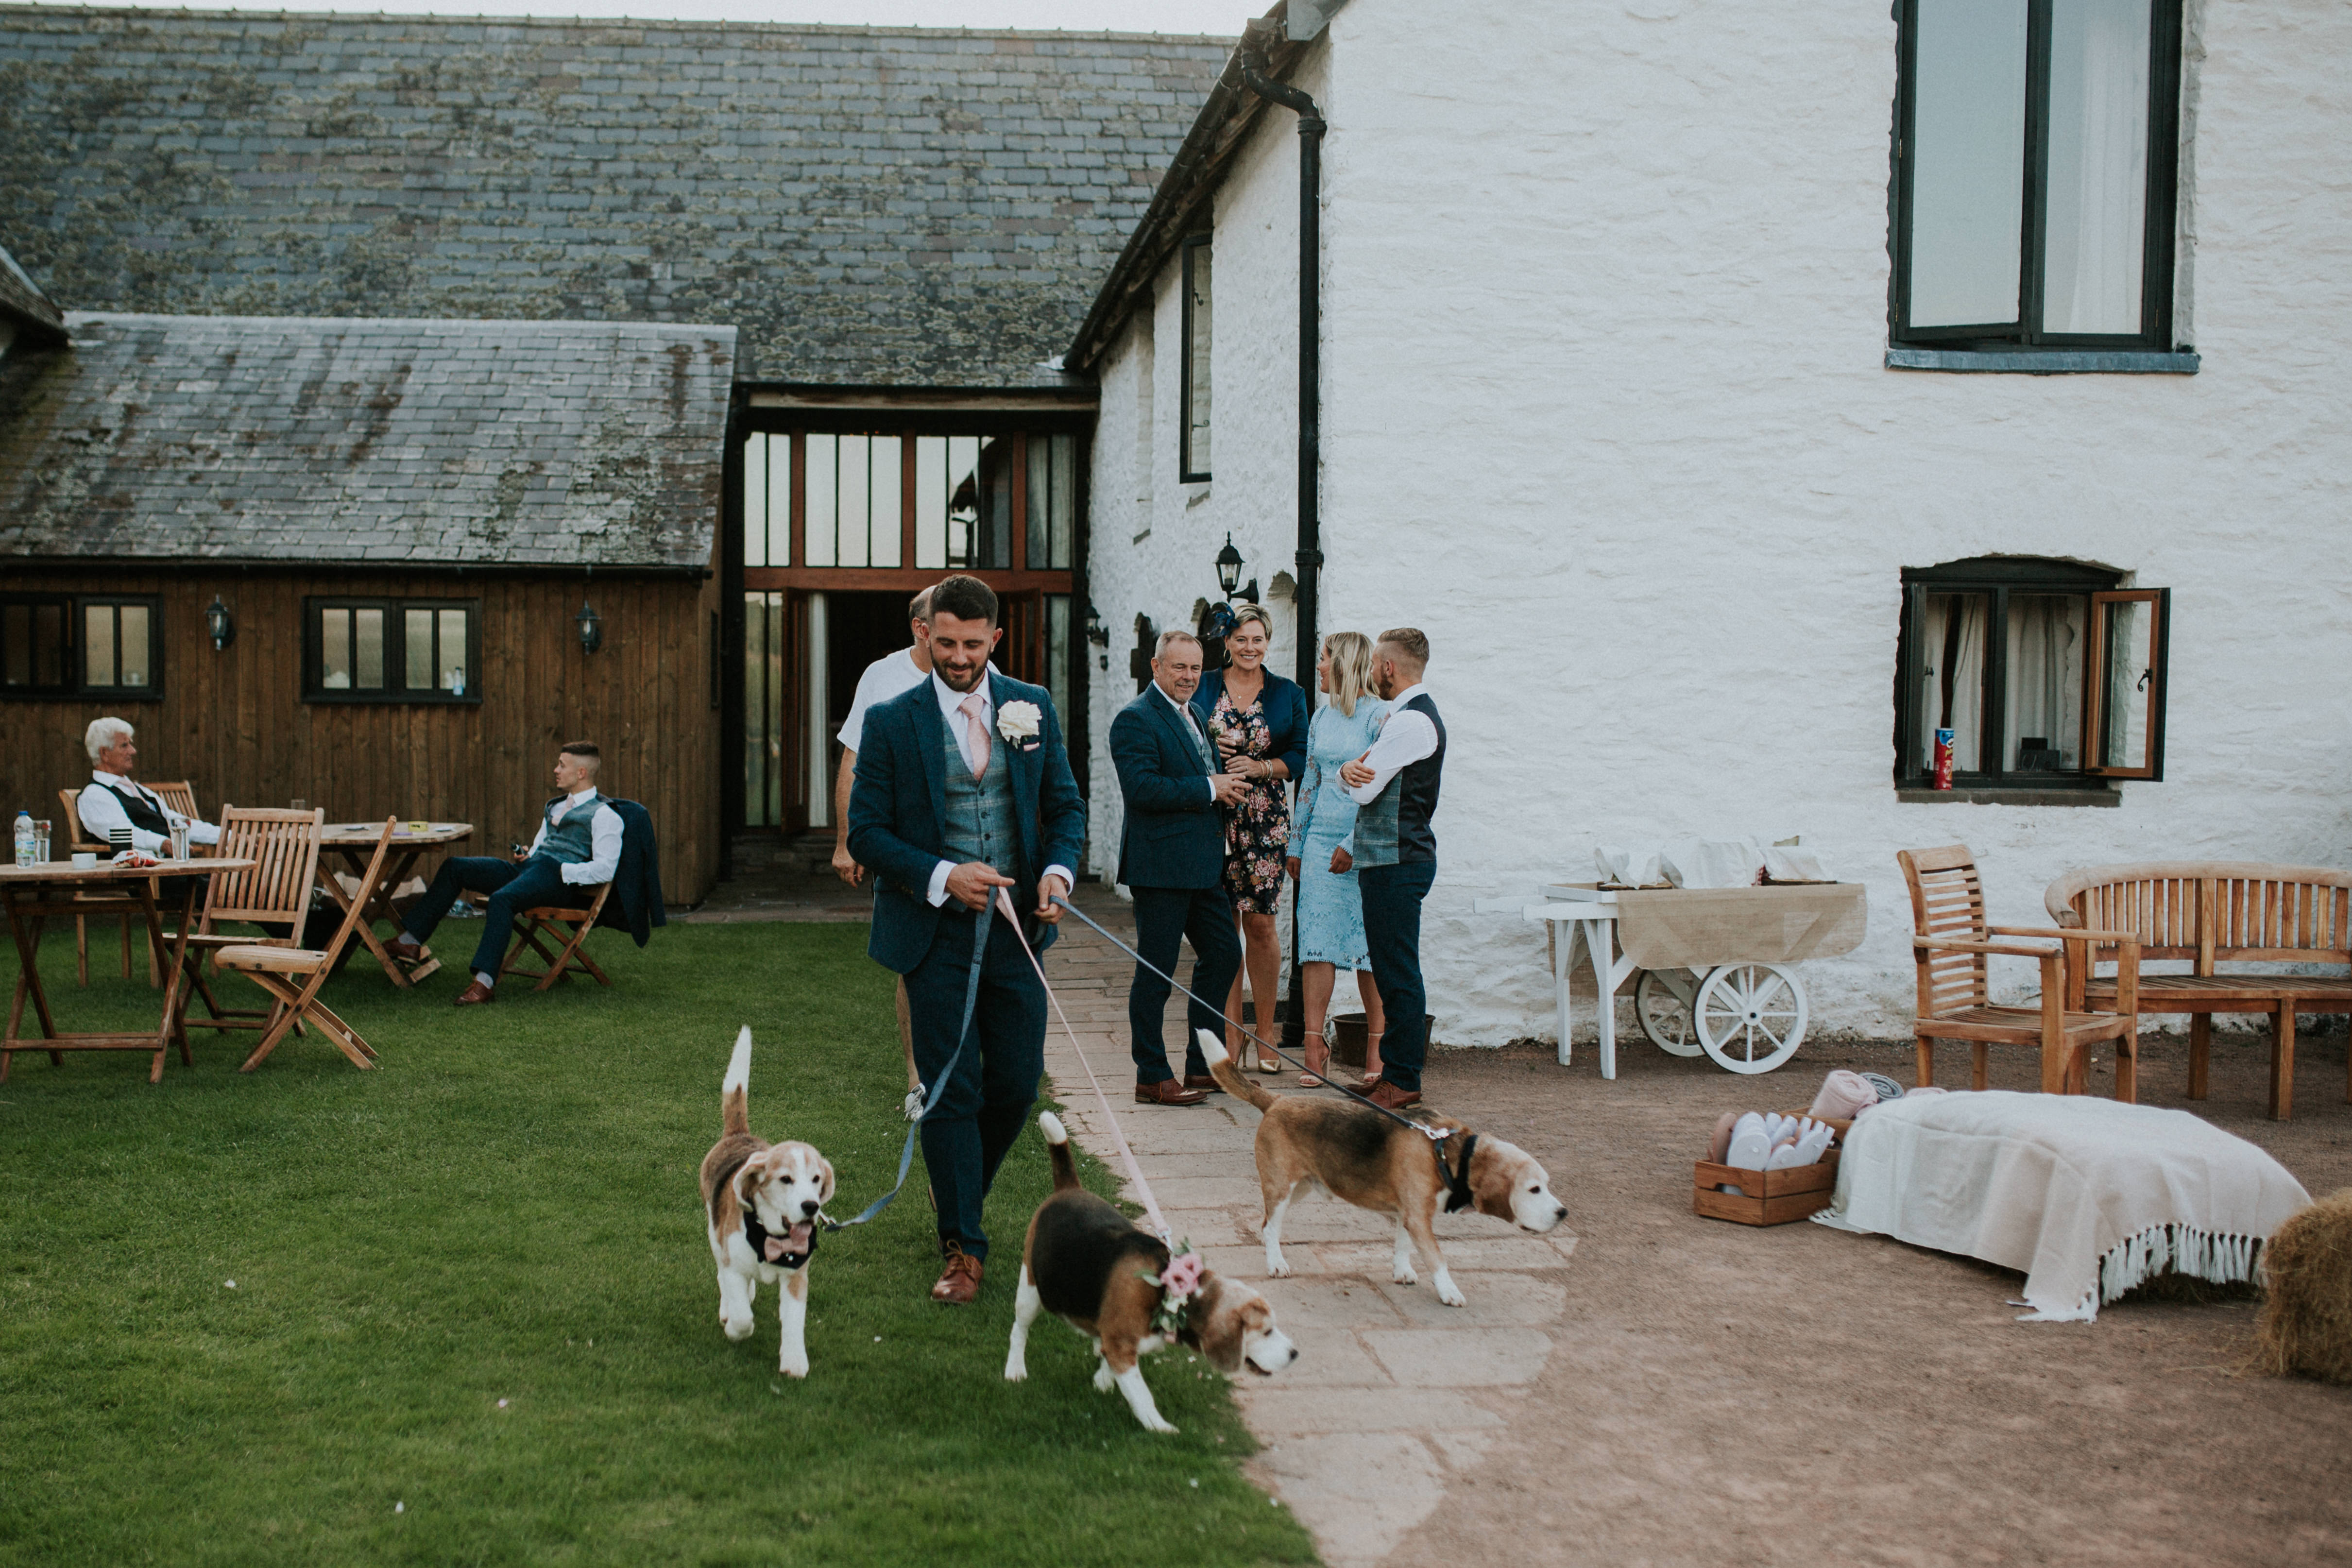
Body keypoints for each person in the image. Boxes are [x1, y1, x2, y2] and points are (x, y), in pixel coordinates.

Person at [846, 574, 1084, 1305]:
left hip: (1018, 936)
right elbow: (867, 835)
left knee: (1014, 1083)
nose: (956, 656)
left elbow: (1064, 809)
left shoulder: (1031, 706)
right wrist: (944, 874)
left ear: (995, 640)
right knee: (954, 1087)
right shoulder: (891, 721)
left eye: (971, 645)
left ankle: (955, 1196)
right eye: (943, 642)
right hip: (933, 936)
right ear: (924, 634)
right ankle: (963, 1249)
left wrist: (1056, 874)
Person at [1110, 629, 1247, 1107]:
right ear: (1156, 667)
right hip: (1160, 867)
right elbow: (1143, 789)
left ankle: (1200, 1064)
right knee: (1157, 971)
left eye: (1195, 668)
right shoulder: (1134, 720)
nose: (1189, 677)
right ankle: (1152, 1074)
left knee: (1225, 954)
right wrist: (1211, 787)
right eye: (1179, 668)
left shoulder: (1195, 715)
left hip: (1203, 867)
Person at [387, 743, 621, 1006]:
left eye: (562, 765)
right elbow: (540, 848)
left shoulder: (605, 816)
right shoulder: (555, 806)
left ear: (581, 773)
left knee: (502, 899)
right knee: (455, 867)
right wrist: (527, 854)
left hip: (559, 881)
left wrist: (562, 869)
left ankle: (484, 984)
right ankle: (409, 942)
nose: (556, 770)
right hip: (531, 870)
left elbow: (606, 869)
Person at [832, 585, 936, 1110]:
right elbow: (853, 761)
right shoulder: (883, 677)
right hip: (900, 842)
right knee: (912, 960)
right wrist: (846, 842)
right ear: (922, 628)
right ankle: (918, 1079)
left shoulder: (984, 674)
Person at [1192, 604, 1307, 1073]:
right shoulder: (1203, 685)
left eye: (1257, 639)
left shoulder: (1288, 693)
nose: (1249, 647)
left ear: (1268, 642)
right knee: (1223, 929)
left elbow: (1300, 754)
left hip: (1264, 819)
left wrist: (1263, 767)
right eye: (1241, 639)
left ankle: (1265, 1033)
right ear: (1227, 643)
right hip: (1214, 816)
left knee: (1260, 924)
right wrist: (1207, 747)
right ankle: (1230, 1032)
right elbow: (1181, 735)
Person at [1337, 629, 1445, 1111]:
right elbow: (1356, 777)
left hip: (1399, 860)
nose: (1373, 671)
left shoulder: (1410, 723)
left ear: (1387, 667)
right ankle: (1392, 1073)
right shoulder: (1407, 719)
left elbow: (1362, 790)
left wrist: (1349, 773)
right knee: (1391, 968)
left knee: (1398, 971)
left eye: (1376, 663)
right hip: (1392, 859)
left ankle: (1402, 1077)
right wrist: (1348, 770)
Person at [1285, 631, 1389, 1088]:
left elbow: (1380, 790)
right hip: (1318, 847)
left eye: (1324, 659)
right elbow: (1310, 779)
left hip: (1360, 846)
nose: (1320, 667)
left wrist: (1352, 841)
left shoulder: (1378, 717)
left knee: (1369, 951)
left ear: (1344, 664)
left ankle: (1377, 1048)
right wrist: (1296, 842)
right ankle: (1314, 1047)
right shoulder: (1322, 716)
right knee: (1317, 946)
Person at [77, 716, 220, 854]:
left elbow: (178, 823)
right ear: (105, 753)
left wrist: (227, 835)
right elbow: (123, 833)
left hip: (170, 867)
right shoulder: (95, 795)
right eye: (125, 745)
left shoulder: (137, 790)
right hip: (139, 874)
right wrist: (163, 843)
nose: (133, 751)